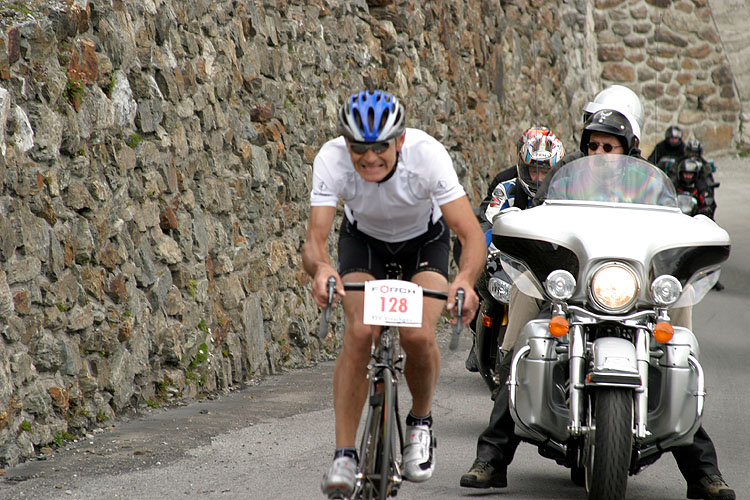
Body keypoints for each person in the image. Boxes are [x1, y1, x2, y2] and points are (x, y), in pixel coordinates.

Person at [460, 107, 736, 500]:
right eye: (593, 145)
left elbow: (676, 221)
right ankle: (490, 460)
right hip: (575, 291)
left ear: (628, 148)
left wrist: (697, 228)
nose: (600, 151)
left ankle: (704, 473)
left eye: (609, 145)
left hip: (634, 293)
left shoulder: (650, 189)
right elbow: (541, 216)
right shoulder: (565, 180)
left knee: (676, 358)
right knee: (528, 347)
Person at [301, 90, 486, 499]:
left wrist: (465, 280)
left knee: (418, 334)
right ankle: (345, 455)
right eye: (359, 149)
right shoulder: (330, 159)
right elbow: (315, 240)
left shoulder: (428, 156)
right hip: (364, 242)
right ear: (345, 144)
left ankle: (420, 423)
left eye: (381, 147)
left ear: (400, 141)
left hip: (425, 242)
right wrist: (322, 268)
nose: (369, 159)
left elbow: (470, 233)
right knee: (359, 332)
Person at [463, 127, 565, 373]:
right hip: (510, 261)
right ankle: (482, 337)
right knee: (485, 279)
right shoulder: (506, 189)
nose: (540, 178)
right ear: (522, 166)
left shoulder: (569, 194)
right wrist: (487, 249)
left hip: (554, 268)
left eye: (546, 171)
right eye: (534, 170)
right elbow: (488, 222)